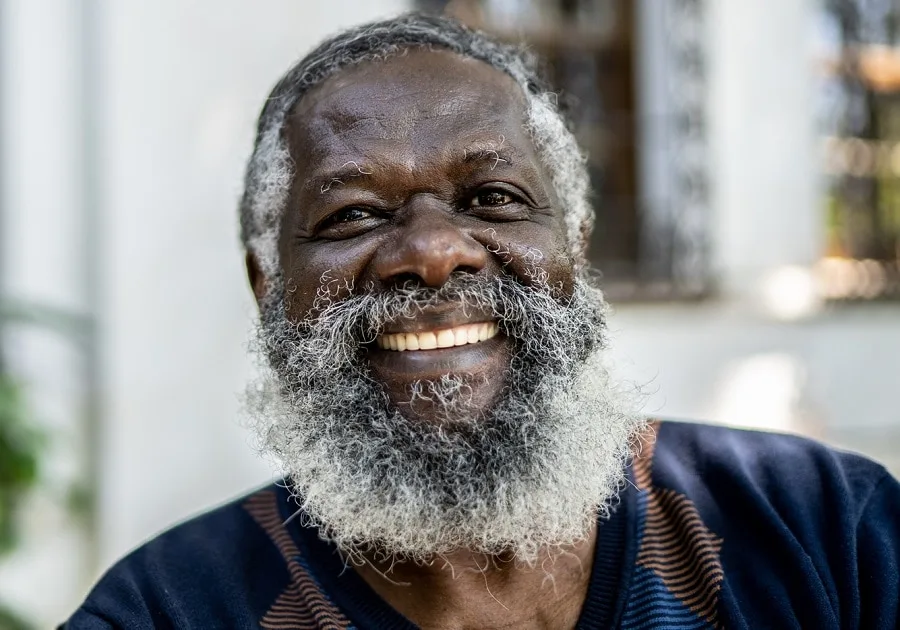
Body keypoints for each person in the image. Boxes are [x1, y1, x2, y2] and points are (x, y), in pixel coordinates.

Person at [63, 13, 899, 630]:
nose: (432, 252)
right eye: (354, 214)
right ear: (268, 286)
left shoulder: (826, 531)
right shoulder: (165, 611)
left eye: (493, 199)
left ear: (572, 243)